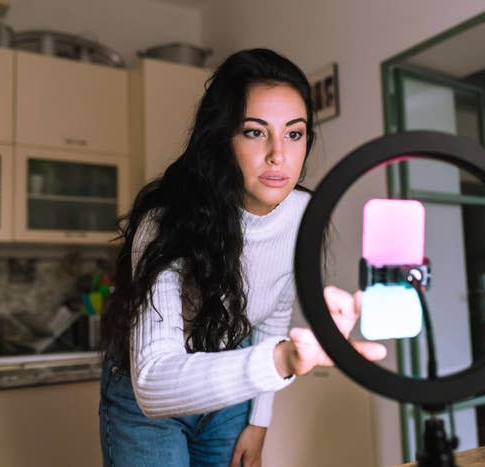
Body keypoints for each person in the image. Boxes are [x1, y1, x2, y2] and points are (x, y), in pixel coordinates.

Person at [99, 48, 385, 467]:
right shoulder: (165, 222)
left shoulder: (304, 216)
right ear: (222, 139)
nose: (278, 155)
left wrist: (259, 421)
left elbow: (270, 315)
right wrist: (283, 359)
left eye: (294, 133)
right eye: (255, 132)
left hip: (231, 392)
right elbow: (153, 381)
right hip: (145, 407)